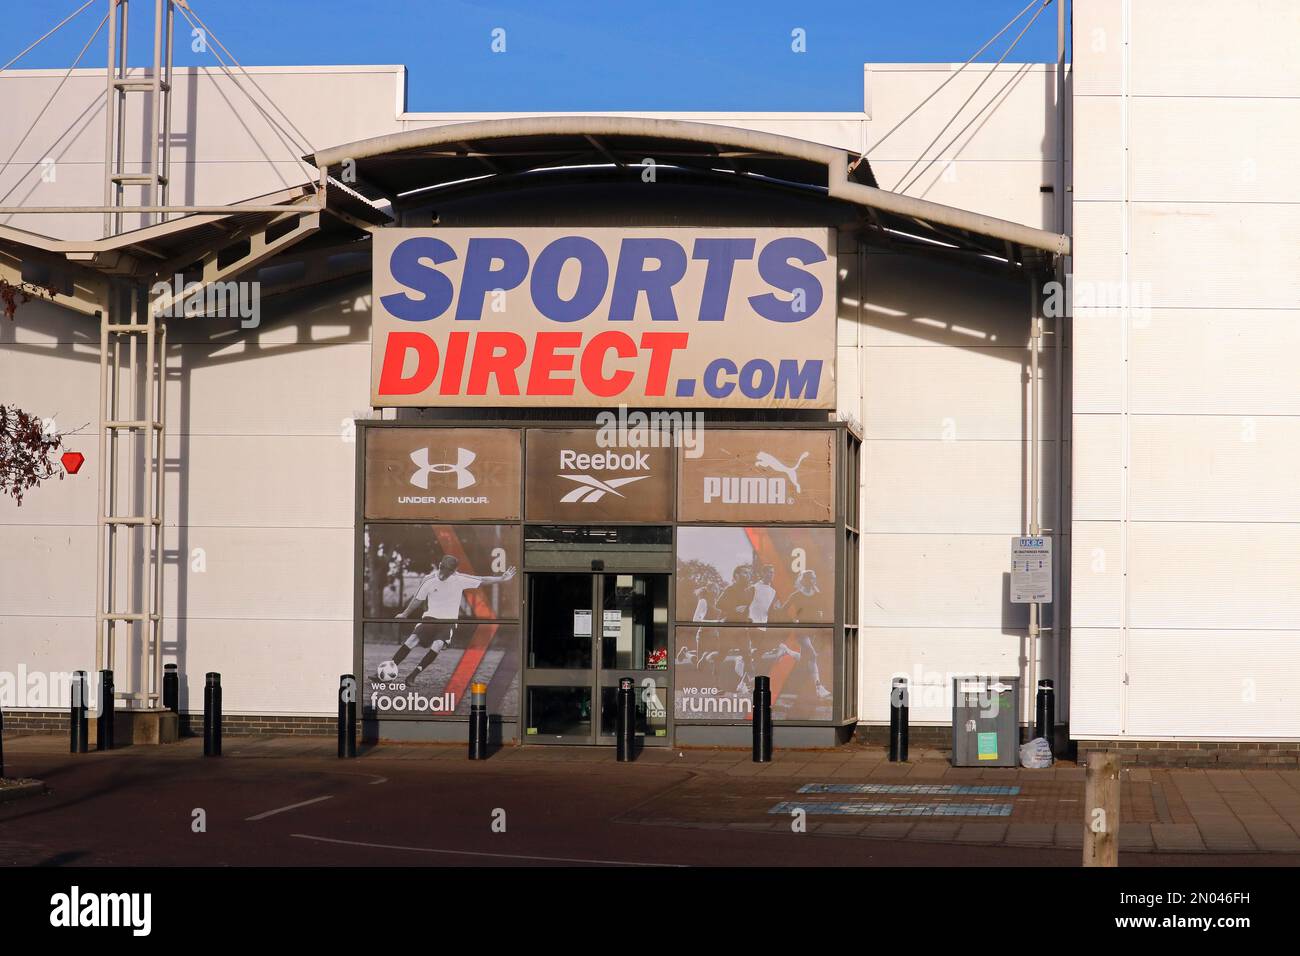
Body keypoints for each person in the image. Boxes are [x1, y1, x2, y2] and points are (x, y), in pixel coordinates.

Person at [385, 554, 516, 684]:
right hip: (430, 617)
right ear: (439, 566)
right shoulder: (428, 579)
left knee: (438, 645)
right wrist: (405, 614)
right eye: (442, 570)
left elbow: (482, 579)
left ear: (453, 572)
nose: (442, 575)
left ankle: (412, 676)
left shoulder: (459, 579)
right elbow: (418, 599)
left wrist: (502, 578)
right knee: (412, 639)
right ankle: (387, 671)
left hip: (448, 621)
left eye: (447, 573)